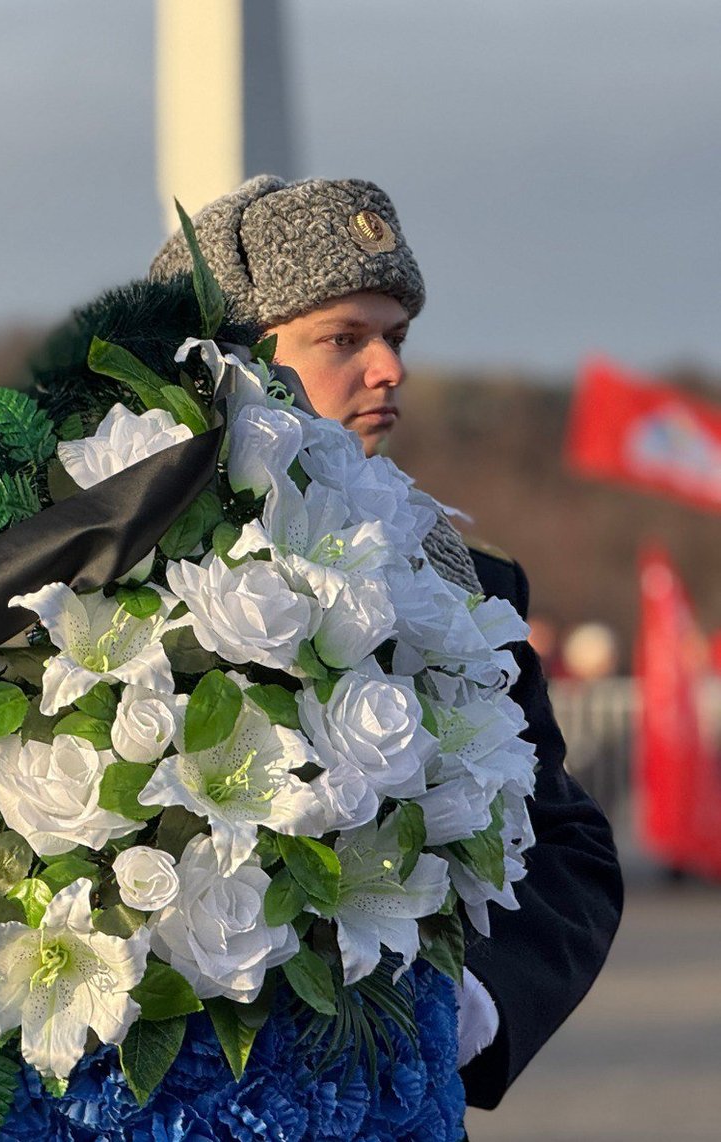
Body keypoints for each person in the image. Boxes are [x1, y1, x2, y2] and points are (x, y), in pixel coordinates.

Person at [150, 175, 625, 1110]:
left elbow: (567, 846)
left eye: (396, 337)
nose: (389, 368)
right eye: (344, 338)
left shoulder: (467, 582)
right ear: (225, 359)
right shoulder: (104, 562)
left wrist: (469, 1005)